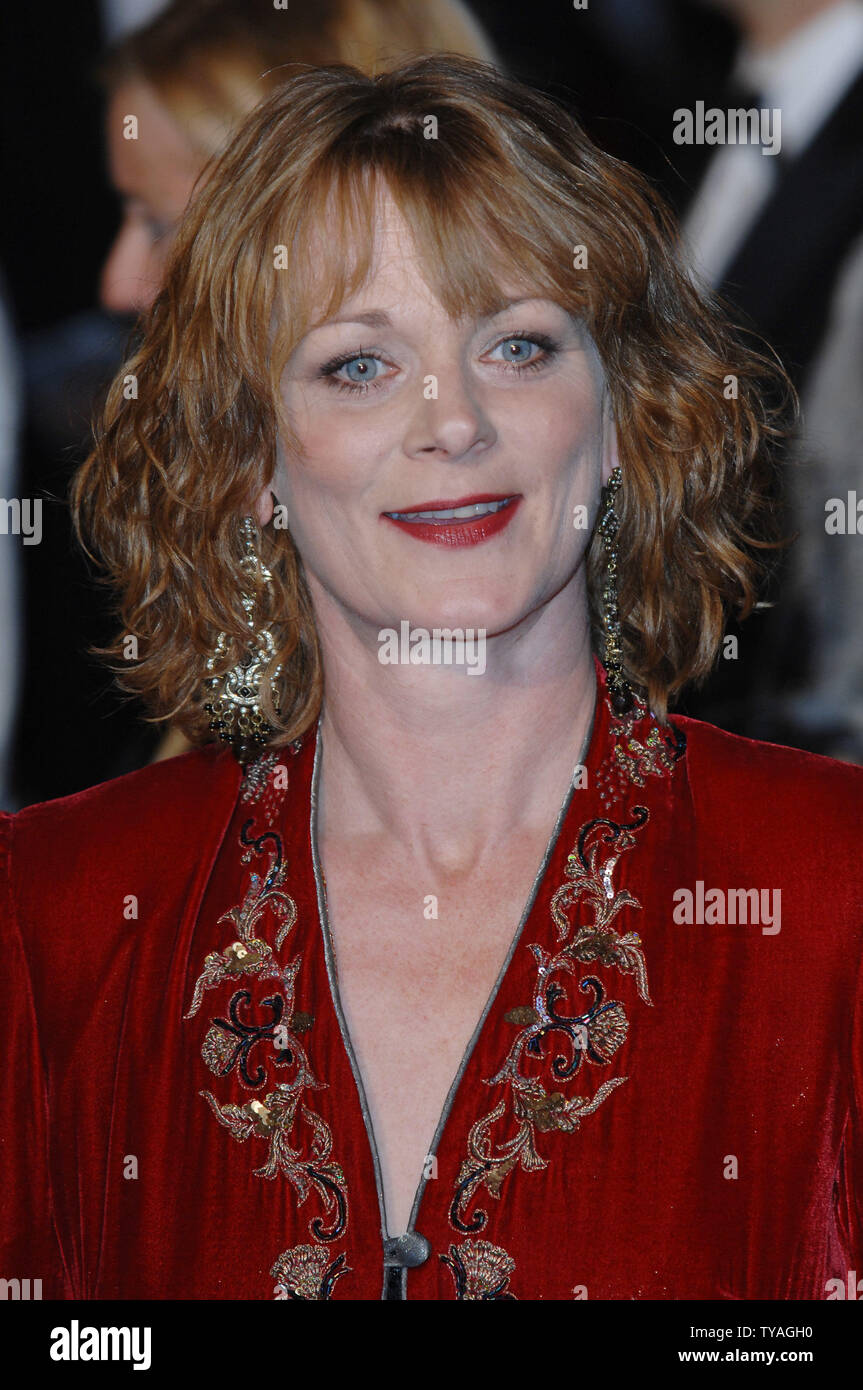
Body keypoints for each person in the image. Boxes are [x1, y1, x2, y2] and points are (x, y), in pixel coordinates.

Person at [2, 55, 861, 1302]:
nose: (450, 420)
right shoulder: (58, 918)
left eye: (517, 345)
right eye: (357, 364)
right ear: (253, 457)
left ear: (618, 415)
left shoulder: (829, 890)